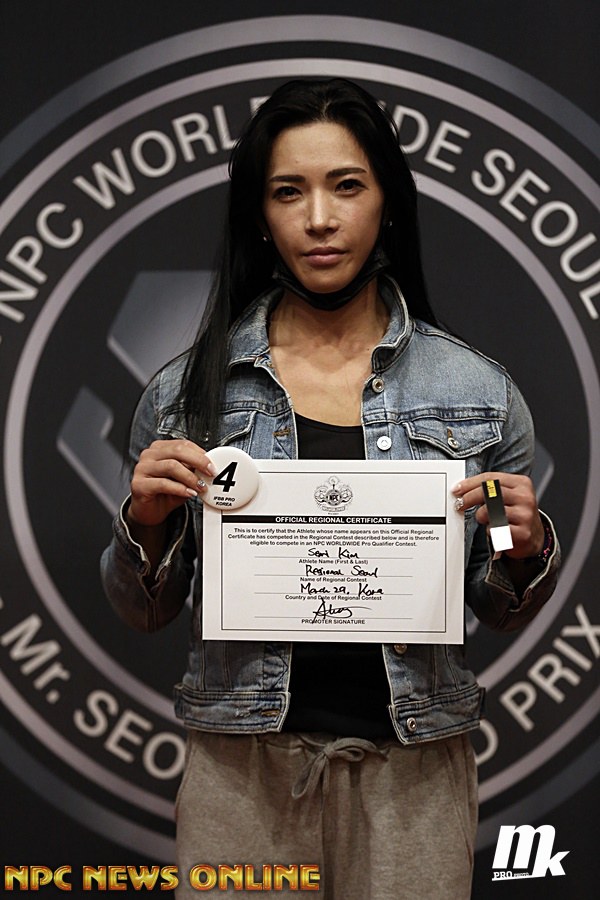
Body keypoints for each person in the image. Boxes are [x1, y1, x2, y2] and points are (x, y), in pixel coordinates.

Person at [101, 78, 560, 899]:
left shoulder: (478, 393)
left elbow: (498, 601)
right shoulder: (183, 396)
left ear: (388, 202)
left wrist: (518, 546)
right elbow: (144, 611)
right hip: (241, 778)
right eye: (289, 191)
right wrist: (148, 521)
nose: (319, 218)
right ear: (260, 215)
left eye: (346, 185)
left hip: (415, 778)